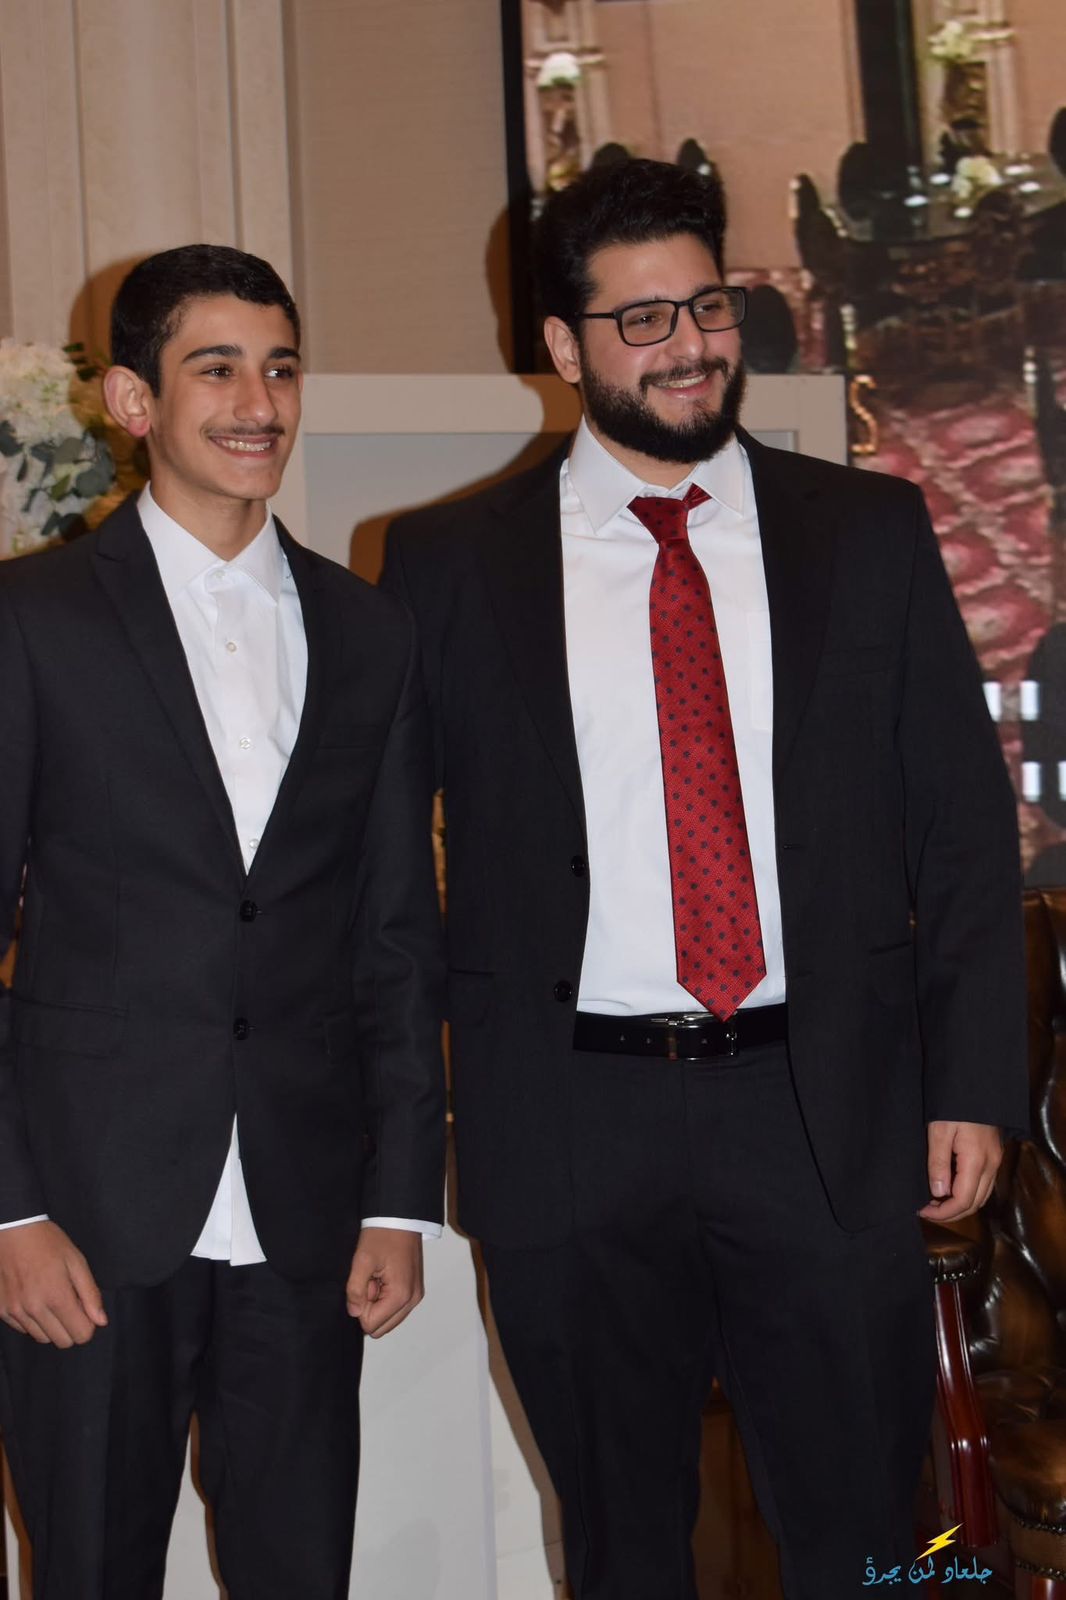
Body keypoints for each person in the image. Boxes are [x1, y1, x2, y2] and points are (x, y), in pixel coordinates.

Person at [381, 159, 1028, 1599]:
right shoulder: (445, 566)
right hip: (569, 1123)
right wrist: (396, 1151)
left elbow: (961, 830)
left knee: (881, 1538)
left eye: (708, 305)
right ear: (563, 347)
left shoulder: (867, 531)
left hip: (822, 1109)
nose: (689, 345)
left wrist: (971, 1081)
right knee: (622, 1546)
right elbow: (384, 888)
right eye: (642, 320)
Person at [0, 244, 444, 1600]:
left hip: (305, 1217)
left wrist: (398, 1200)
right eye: (217, 369)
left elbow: (393, 934)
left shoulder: (371, 633)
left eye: (280, 368)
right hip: (84, 1221)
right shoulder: (30, 620)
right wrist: (10, 1215)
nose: (260, 403)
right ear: (134, 401)